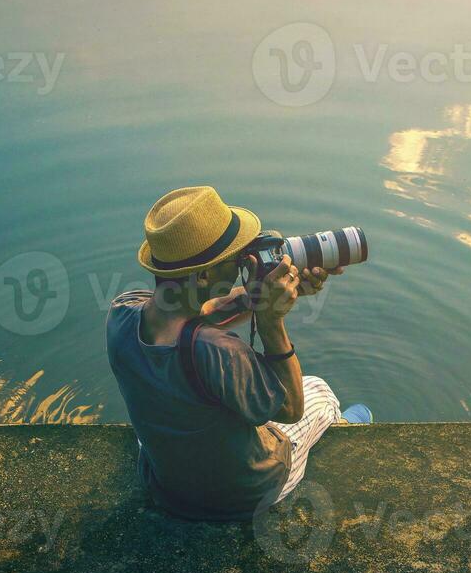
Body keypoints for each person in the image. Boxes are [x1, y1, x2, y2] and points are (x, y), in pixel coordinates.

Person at [106, 186, 370, 520]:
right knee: (319, 390)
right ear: (204, 274)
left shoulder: (122, 313)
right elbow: (290, 407)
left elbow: (195, 312)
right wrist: (271, 320)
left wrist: (256, 298)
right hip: (245, 494)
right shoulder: (220, 352)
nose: (244, 262)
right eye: (232, 259)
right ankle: (345, 422)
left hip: (166, 484)